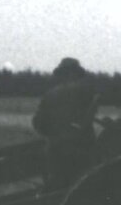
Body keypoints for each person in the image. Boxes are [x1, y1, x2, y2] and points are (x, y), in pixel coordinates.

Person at [33, 57, 99, 189]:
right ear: (76, 73)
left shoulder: (50, 95)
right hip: (84, 153)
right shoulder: (85, 90)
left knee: (60, 186)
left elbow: (38, 124)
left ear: (61, 75)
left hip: (56, 154)